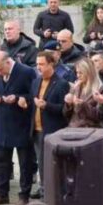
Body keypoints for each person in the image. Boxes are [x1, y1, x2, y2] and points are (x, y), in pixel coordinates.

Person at [0, 51, 36, 205]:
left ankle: (24, 195)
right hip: (2, 121)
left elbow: (34, 94)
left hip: (21, 122)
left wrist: (18, 98)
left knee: (24, 162)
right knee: (2, 161)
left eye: (0, 69)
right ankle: (2, 193)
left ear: (8, 62)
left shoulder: (26, 72)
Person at [30, 51, 68, 190]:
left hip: (52, 130)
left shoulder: (61, 83)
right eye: (37, 64)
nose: (38, 67)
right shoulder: (36, 82)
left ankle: (53, 191)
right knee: (41, 162)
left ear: (51, 64)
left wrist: (47, 105)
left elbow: (64, 110)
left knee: (52, 163)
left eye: (42, 64)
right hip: (37, 129)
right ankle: (43, 189)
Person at [64, 58, 103, 128]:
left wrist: (83, 105)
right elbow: (66, 114)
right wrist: (68, 104)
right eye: (77, 72)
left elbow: (99, 115)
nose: (78, 75)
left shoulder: (100, 89)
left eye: (81, 73)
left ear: (89, 72)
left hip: (90, 130)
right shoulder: (75, 87)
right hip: (73, 129)